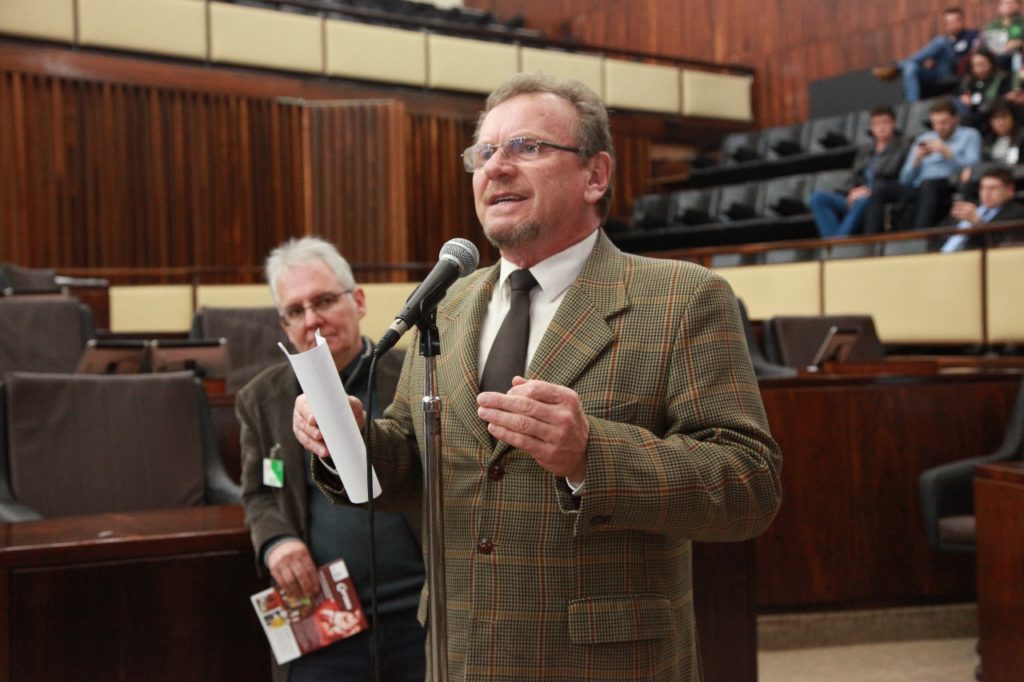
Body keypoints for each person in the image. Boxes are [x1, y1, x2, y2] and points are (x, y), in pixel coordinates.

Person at [294, 73, 783, 681]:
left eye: (526, 147)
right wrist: (348, 438)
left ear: (595, 175)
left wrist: (590, 454)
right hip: (460, 654)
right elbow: (415, 467)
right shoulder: (445, 302)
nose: (495, 168)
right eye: (484, 152)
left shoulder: (682, 299)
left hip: (606, 662)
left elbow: (749, 487)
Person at [238, 236, 426, 682]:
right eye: (296, 311)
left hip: (422, 613)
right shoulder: (261, 399)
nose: (312, 319)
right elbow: (260, 493)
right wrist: (276, 542)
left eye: (323, 300)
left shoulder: (415, 373)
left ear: (358, 301)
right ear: (284, 325)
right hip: (328, 620)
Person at [865, 97, 982, 233]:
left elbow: (974, 168)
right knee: (880, 189)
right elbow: (905, 179)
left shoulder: (970, 135)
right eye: (935, 123)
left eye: (944, 123)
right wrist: (917, 160)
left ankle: (919, 236)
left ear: (956, 119)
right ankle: (871, 240)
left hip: (949, 183)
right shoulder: (923, 138)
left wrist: (947, 152)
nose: (939, 128)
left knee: (929, 185)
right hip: (919, 186)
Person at [808, 106, 910, 237]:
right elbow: (853, 176)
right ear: (871, 128)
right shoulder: (865, 150)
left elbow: (896, 175)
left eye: (885, 122)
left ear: (893, 124)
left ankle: (837, 245)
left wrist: (868, 190)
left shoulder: (902, 147)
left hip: (876, 196)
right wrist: (851, 191)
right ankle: (835, 242)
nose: (881, 127)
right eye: (877, 124)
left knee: (863, 201)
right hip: (856, 196)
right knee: (818, 199)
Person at [873, 7, 979, 102]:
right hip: (937, 72)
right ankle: (912, 104)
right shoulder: (947, 40)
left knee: (939, 41)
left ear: (962, 20)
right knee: (911, 67)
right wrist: (927, 61)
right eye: (948, 22)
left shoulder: (972, 35)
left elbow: (973, 55)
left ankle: (898, 66)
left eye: (955, 21)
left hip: (956, 69)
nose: (952, 24)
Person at [941, 165, 1024, 250]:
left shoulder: (1016, 213)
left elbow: (1000, 244)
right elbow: (938, 235)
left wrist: (977, 222)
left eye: (993, 188)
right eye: (983, 188)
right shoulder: (970, 206)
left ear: (1009, 190)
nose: (986, 193)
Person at [955, 48, 1011, 129]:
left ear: (991, 63)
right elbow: (959, 94)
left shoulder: (1002, 79)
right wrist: (963, 98)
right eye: (976, 65)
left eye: (983, 64)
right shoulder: (968, 81)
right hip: (971, 116)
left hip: (989, 117)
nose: (980, 69)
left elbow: (1001, 102)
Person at [981, 0, 1024, 69]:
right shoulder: (992, 25)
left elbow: (1020, 43)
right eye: (1006, 3)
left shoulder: (1022, 22)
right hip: (995, 57)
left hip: (1018, 56)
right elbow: (990, 44)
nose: (1010, 5)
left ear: (1019, 5)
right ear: (999, 7)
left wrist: (1018, 43)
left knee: (1016, 57)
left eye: (1013, 2)